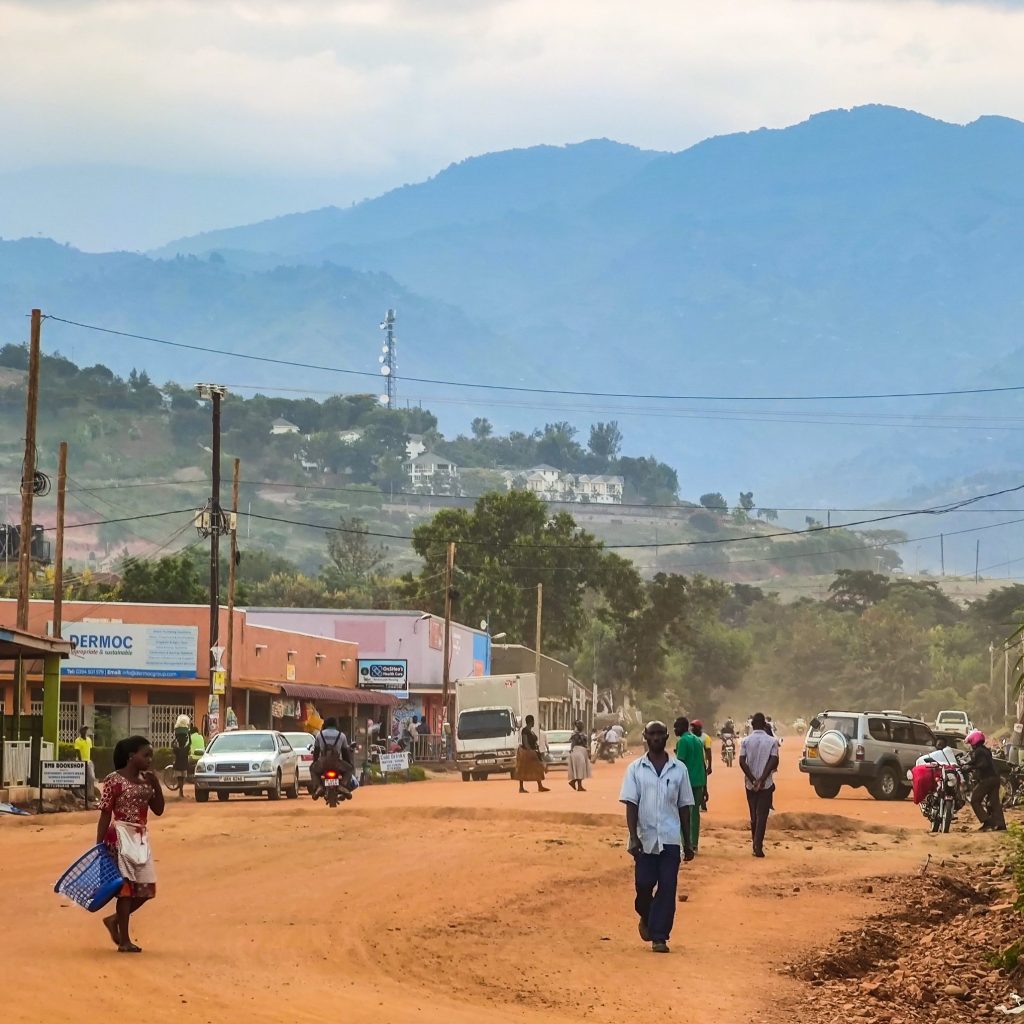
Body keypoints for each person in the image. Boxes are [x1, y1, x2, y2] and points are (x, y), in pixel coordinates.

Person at [619, 720, 695, 954]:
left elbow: (684, 807)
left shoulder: (679, 769)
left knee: (668, 887)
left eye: (660, 734)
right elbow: (631, 804)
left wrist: (688, 841)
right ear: (645, 736)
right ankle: (647, 915)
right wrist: (633, 836)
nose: (656, 738)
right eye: (652, 734)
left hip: (671, 839)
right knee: (643, 886)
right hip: (645, 839)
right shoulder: (635, 769)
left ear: (667, 736)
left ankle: (659, 936)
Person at [97, 736, 164, 953]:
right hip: (119, 836)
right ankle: (124, 940)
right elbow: (106, 813)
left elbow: (159, 809)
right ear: (131, 756)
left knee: (146, 888)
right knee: (125, 890)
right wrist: (98, 846)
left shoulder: (147, 781)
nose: (149, 759)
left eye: (150, 755)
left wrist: (156, 786)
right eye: (145, 755)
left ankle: (114, 920)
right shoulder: (113, 780)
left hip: (140, 837)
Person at [740, 713, 780, 858]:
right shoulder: (772, 741)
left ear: (752, 725)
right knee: (762, 814)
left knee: (753, 814)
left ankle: (754, 844)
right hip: (766, 783)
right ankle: (758, 845)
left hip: (749, 784)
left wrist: (752, 779)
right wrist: (762, 779)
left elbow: (742, 761)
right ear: (764, 725)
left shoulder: (745, 741)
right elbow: (774, 760)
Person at [673, 717, 707, 854]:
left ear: (682, 727)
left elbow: (680, 764)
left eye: (676, 727)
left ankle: (686, 844)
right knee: (695, 815)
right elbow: (702, 764)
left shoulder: (682, 741)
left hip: (686, 782)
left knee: (684, 814)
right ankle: (694, 844)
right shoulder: (698, 741)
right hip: (699, 782)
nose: (675, 730)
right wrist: (706, 787)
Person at [966, 730, 1007, 832]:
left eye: (971, 742)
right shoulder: (985, 750)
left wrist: (970, 767)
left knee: (975, 800)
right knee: (994, 802)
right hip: (995, 778)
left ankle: (987, 822)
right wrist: (968, 764)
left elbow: (982, 764)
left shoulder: (978, 751)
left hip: (987, 779)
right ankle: (1000, 824)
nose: (971, 745)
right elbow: (977, 761)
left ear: (974, 741)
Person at [311, 717, 354, 800]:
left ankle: (319, 787)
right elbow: (345, 753)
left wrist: (315, 763)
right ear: (336, 725)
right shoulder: (341, 735)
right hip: (337, 763)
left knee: (312, 769)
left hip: (322, 763)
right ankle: (342, 785)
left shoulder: (320, 735)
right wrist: (349, 763)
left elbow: (316, 752)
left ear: (325, 725)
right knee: (350, 768)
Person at [515, 714, 550, 794]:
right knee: (523, 770)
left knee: (537, 768)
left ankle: (540, 786)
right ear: (531, 722)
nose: (534, 722)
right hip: (527, 752)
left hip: (533, 751)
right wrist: (530, 750)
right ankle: (521, 787)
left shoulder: (531, 731)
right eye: (533, 721)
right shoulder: (525, 730)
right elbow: (525, 741)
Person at [691, 720, 713, 810]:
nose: (692, 729)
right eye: (692, 727)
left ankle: (703, 803)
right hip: (691, 763)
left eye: (694, 727)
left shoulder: (705, 738)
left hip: (701, 763)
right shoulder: (690, 737)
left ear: (699, 728)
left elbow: (708, 752)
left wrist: (709, 765)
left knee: (703, 784)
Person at [73, 725, 97, 801]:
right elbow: (77, 752)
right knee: (81, 779)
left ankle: (90, 795)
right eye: (83, 730)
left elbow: (90, 751)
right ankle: (81, 796)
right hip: (81, 762)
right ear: (80, 731)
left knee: (91, 778)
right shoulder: (77, 740)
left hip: (88, 761)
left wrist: (91, 760)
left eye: (86, 730)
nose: (85, 731)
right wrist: (81, 763)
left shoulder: (89, 740)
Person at [568, 720, 591, 792]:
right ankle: (578, 785)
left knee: (580, 769)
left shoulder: (582, 734)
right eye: (580, 725)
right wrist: (571, 749)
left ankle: (574, 782)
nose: (581, 726)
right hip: (577, 751)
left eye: (581, 725)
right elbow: (573, 743)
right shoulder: (575, 735)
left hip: (582, 751)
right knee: (580, 768)